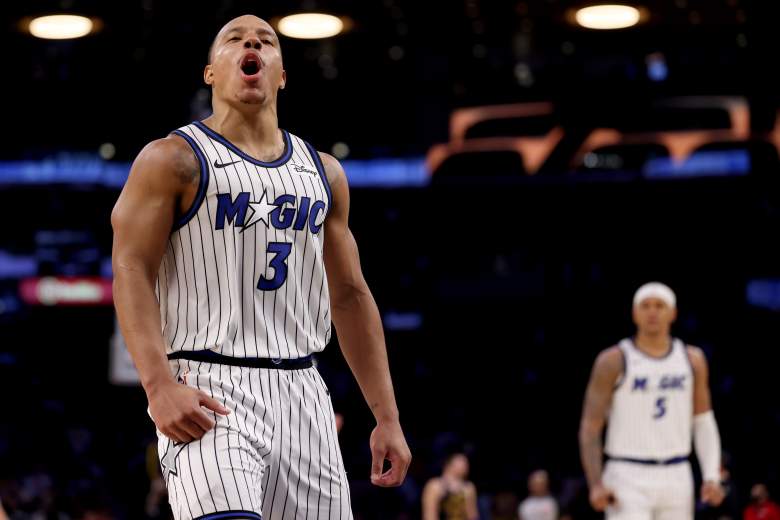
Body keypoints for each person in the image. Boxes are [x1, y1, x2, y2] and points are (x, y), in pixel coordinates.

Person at [111, 14, 411, 520]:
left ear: (281, 75)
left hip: (304, 393)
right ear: (211, 72)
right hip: (208, 385)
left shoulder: (325, 173)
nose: (252, 43)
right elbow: (130, 267)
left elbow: (351, 296)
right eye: (235, 39)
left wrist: (387, 416)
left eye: (266, 41)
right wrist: (158, 384)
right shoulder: (171, 159)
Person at [579, 282, 724, 519]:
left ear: (673, 313)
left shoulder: (692, 360)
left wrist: (711, 476)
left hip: (677, 472)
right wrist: (595, 483)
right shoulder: (613, 360)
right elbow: (590, 427)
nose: (653, 312)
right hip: (626, 473)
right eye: (645, 306)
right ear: (635, 313)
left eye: (660, 306)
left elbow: (703, 421)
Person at [421, 453, 478, 520]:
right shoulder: (434, 486)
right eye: (461, 461)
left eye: (466, 463)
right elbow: (429, 515)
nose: (466, 465)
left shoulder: (469, 487)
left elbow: (472, 515)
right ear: (449, 464)